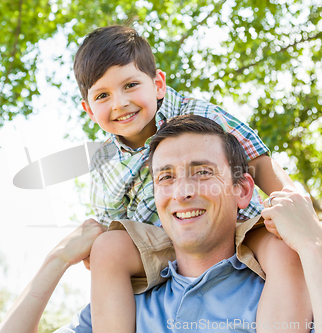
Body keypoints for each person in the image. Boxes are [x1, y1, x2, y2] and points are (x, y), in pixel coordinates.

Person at [0, 115, 322, 333]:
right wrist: (57, 260)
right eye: (166, 178)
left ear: (242, 190)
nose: (183, 192)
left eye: (202, 172)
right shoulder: (125, 306)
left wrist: (316, 245)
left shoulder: (280, 291)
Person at [74, 25, 309, 332]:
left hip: (233, 225)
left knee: (284, 249)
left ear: (158, 84)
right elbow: (109, 222)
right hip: (163, 240)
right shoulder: (105, 162)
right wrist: (99, 250)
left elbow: (257, 159)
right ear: (89, 110)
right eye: (103, 95)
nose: (119, 103)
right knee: (107, 248)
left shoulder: (197, 114)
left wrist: (292, 206)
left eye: (130, 85)